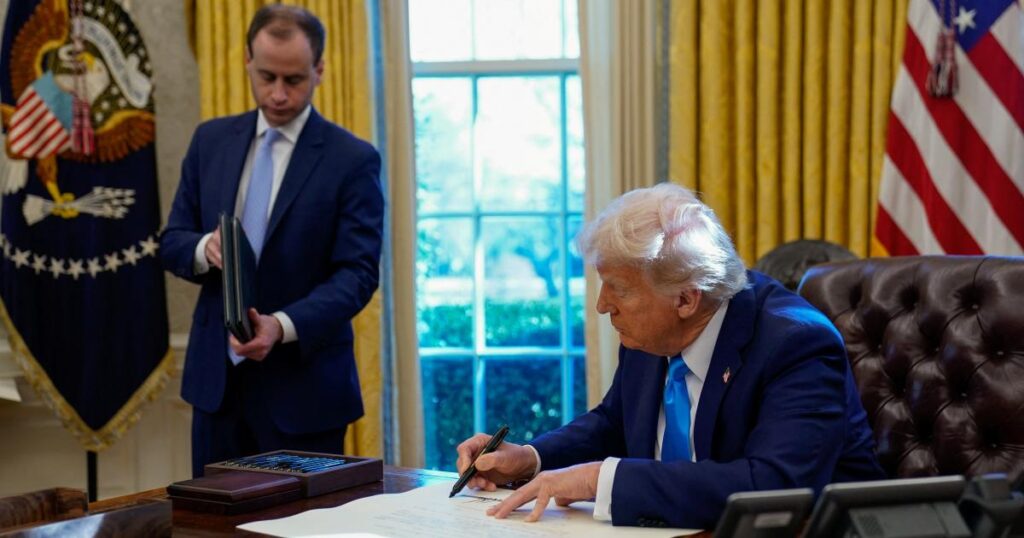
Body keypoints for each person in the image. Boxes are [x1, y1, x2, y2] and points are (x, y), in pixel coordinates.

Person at [455, 183, 884, 529]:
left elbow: (774, 485)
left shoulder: (796, 344)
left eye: (619, 290)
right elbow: (614, 423)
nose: (602, 305)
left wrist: (597, 479)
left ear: (686, 299)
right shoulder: (653, 332)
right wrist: (529, 459)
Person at [160, 5, 383, 477]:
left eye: (294, 80)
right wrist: (205, 249)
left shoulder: (352, 159)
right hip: (216, 389)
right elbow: (172, 240)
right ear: (247, 61)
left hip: (306, 394)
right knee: (209, 517)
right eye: (267, 77)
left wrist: (280, 327)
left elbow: (357, 275)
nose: (278, 94)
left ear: (320, 70)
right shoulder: (210, 141)